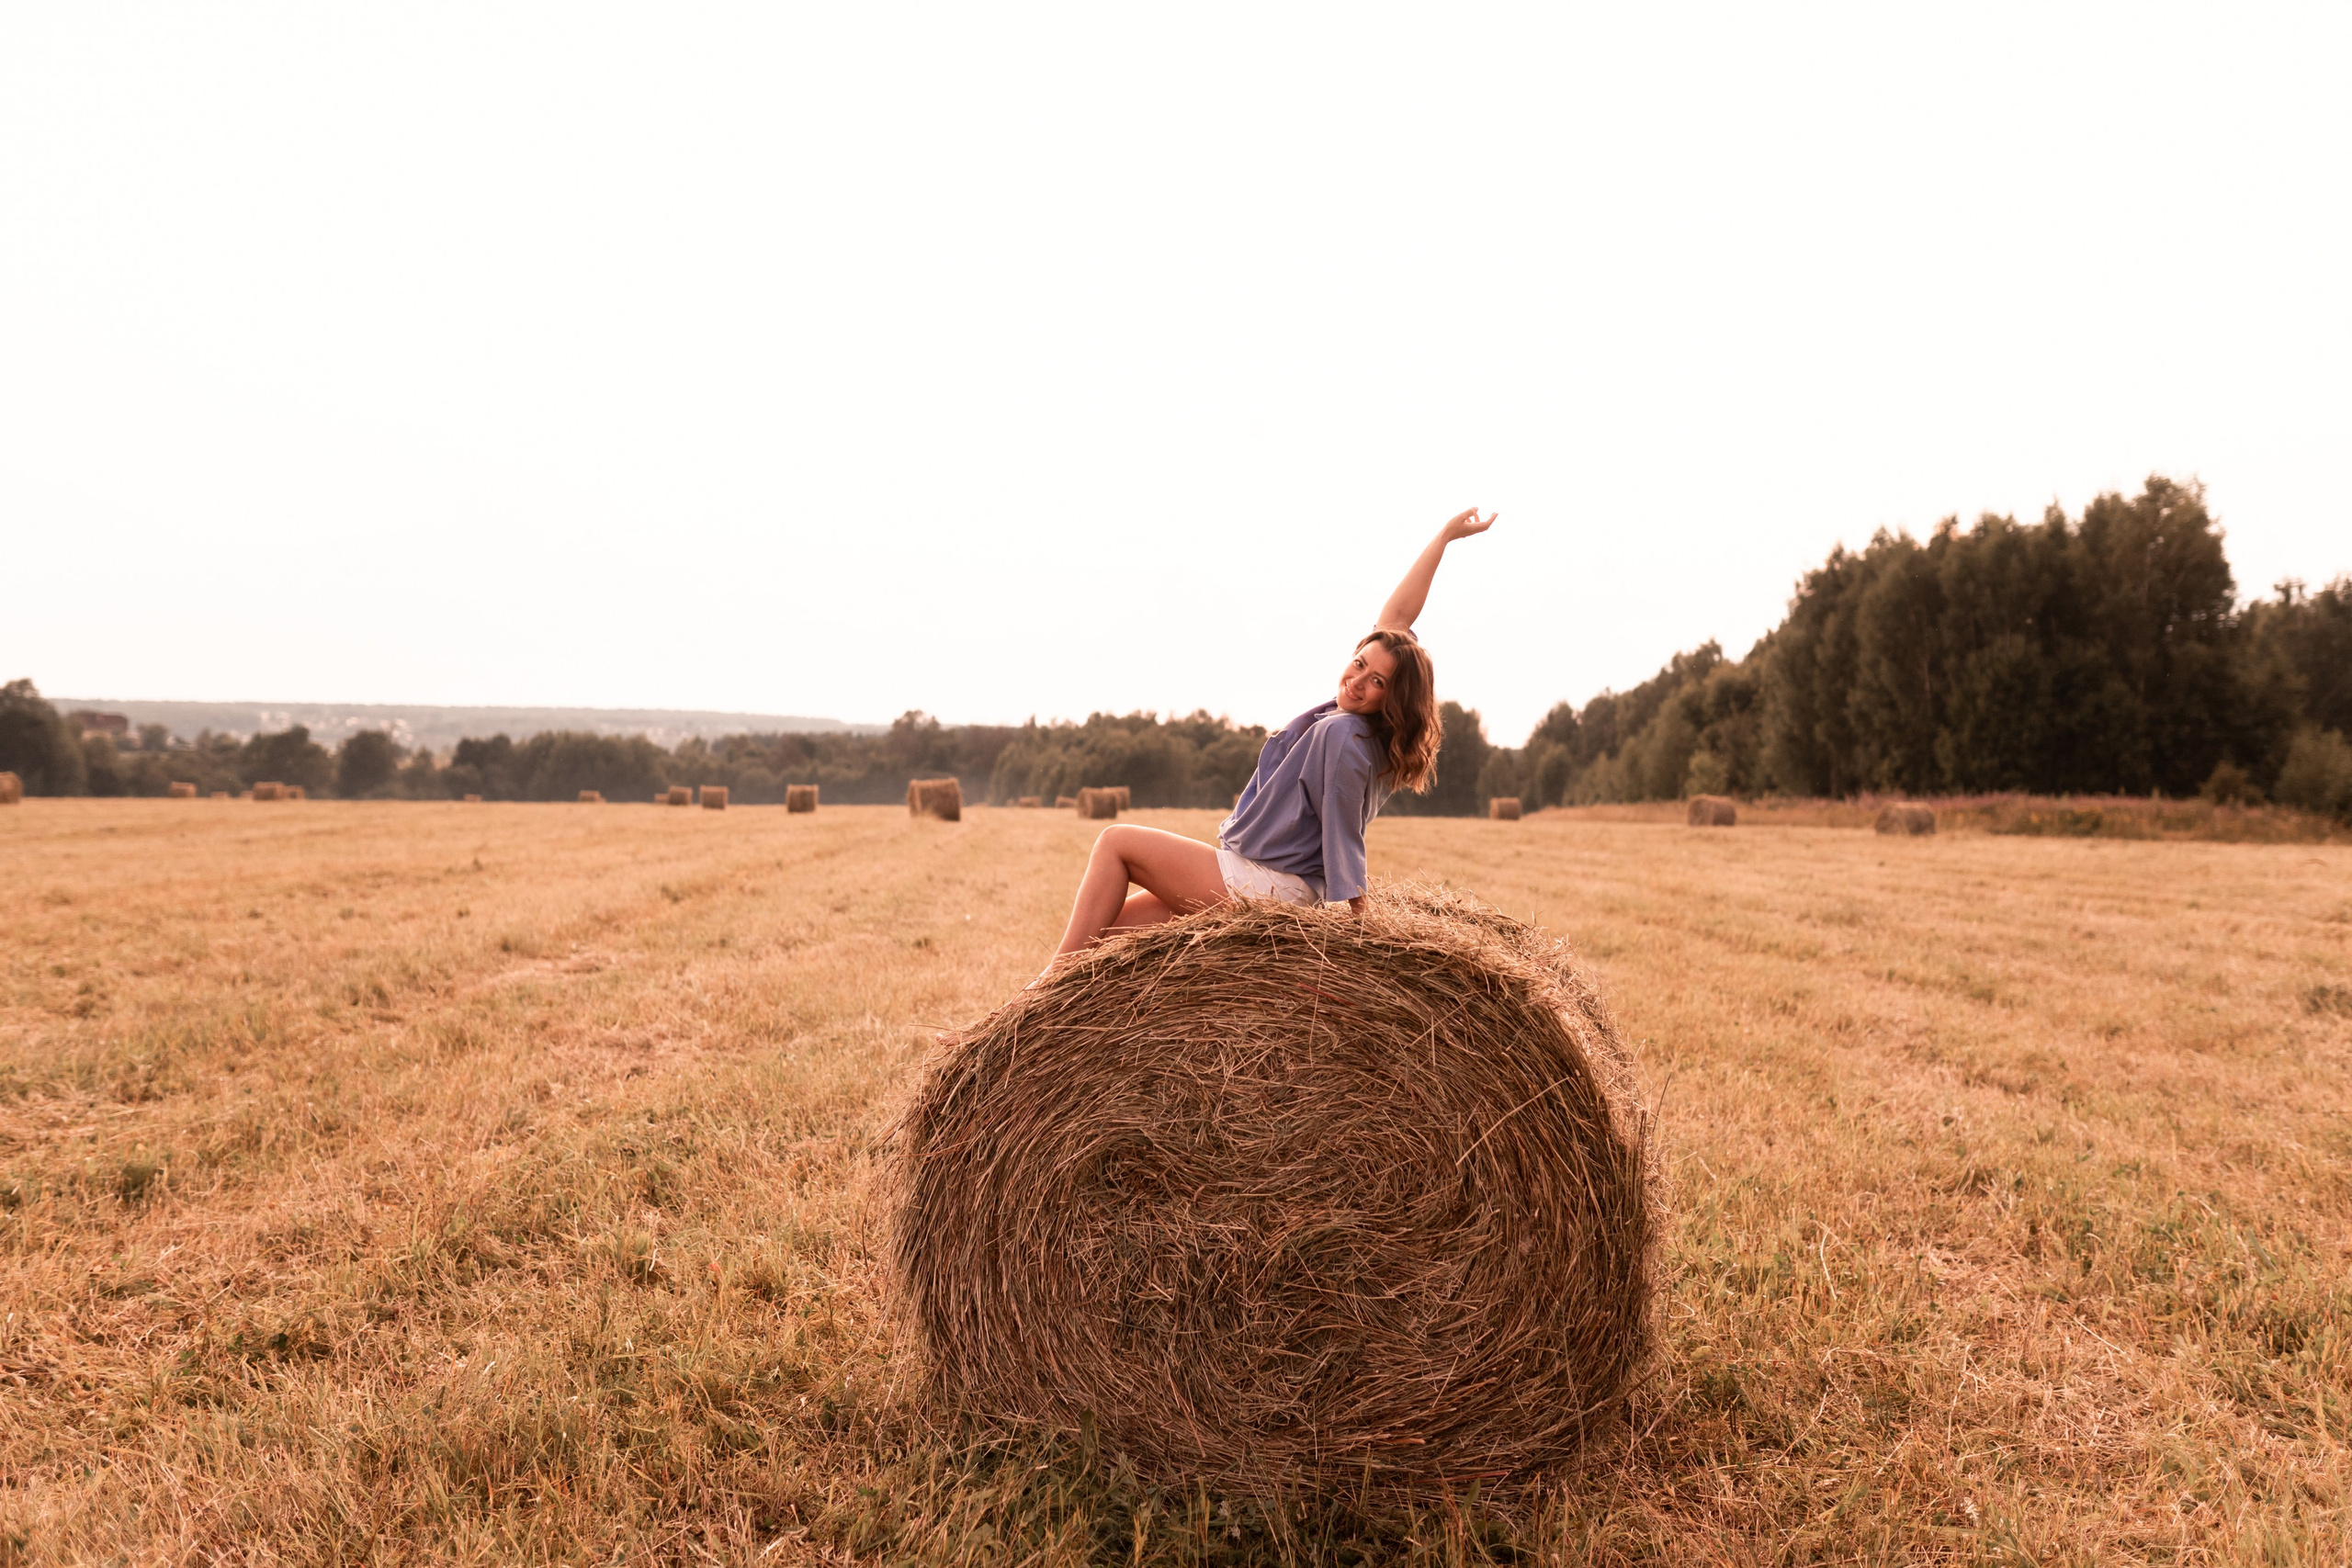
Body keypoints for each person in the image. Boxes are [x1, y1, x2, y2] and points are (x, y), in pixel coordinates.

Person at [1045, 507, 1495, 966]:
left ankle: (1033, 1001)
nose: (1359, 680)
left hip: (1268, 886)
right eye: (1360, 663)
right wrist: (1443, 539)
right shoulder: (1364, 728)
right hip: (1263, 880)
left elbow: (1343, 829)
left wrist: (1363, 925)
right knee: (1107, 933)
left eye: (1378, 681)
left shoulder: (1344, 735)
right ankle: (1037, 1013)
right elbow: (1396, 617)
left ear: (1392, 697)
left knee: (1115, 841)